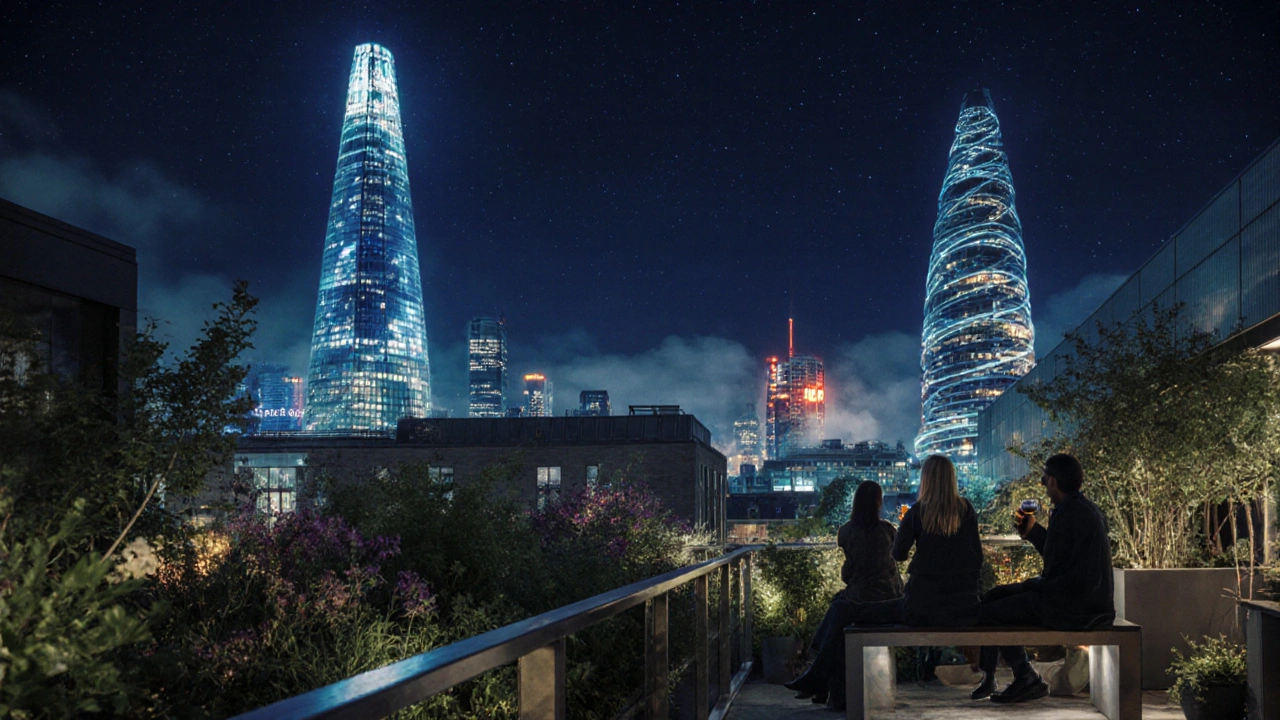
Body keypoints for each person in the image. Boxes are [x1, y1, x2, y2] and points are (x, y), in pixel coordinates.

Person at [786, 455, 983, 709]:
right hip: (961, 608)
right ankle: (817, 678)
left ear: (926, 480)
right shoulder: (967, 510)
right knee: (844, 608)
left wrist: (912, 535)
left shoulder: (916, 513)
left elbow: (898, 555)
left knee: (843, 608)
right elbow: (977, 557)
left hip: (919, 609)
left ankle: (818, 676)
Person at [972, 453, 1115, 704]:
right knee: (996, 596)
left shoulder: (1070, 513)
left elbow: (1059, 574)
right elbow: (1060, 558)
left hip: (1074, 608)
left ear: (1053, 481)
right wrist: (1033, 532)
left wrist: (1031, 585)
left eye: (1045, 476)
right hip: (1083, 602)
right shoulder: (1080, 509)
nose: (1041, 481)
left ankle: (1023, 677)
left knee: (992, 609)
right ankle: (1001, 675)